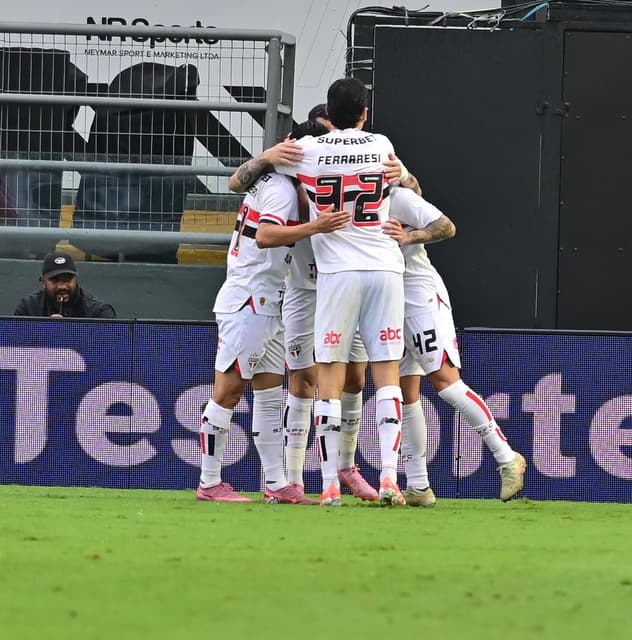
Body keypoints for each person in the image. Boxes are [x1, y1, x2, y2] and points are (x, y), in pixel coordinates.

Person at [196, 125, 350, 504]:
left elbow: (237, 182)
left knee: (268, 395)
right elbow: (265, 236)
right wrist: (315, 227)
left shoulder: (272, 180)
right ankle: (209, 481)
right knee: (228, 391)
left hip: (269, 300)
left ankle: (277, 483)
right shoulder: (281, 189)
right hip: (249, 299)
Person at [275, 78, 409, 506]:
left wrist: (267, 156)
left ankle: (330, 483)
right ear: (365, 113)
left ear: (328, 115)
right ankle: (389, 478)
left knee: (328, 378)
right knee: (386, 373)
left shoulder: (310, 151)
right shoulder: (382, 144)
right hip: (385, 267)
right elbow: (406, 183)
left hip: (337, 274)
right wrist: (404, 174)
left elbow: (258, 175)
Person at [382, 186, 527, 505]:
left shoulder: (398, 197)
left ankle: (506, 457)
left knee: (446, 382)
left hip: (419, 297)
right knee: (405, 393)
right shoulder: (347, 199)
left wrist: (409, 236)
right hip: (387, 301)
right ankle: (418, 484)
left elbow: (446, 226)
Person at [13, 251, 116, 318]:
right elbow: (14, 343)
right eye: (54, 280)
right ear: (43, 281)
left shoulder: (98, 312)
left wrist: (67, 331)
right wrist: (44, 330)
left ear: (76, 278)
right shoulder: (28, 308)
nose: (62, 286)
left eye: (67, 279)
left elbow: (109, 344)